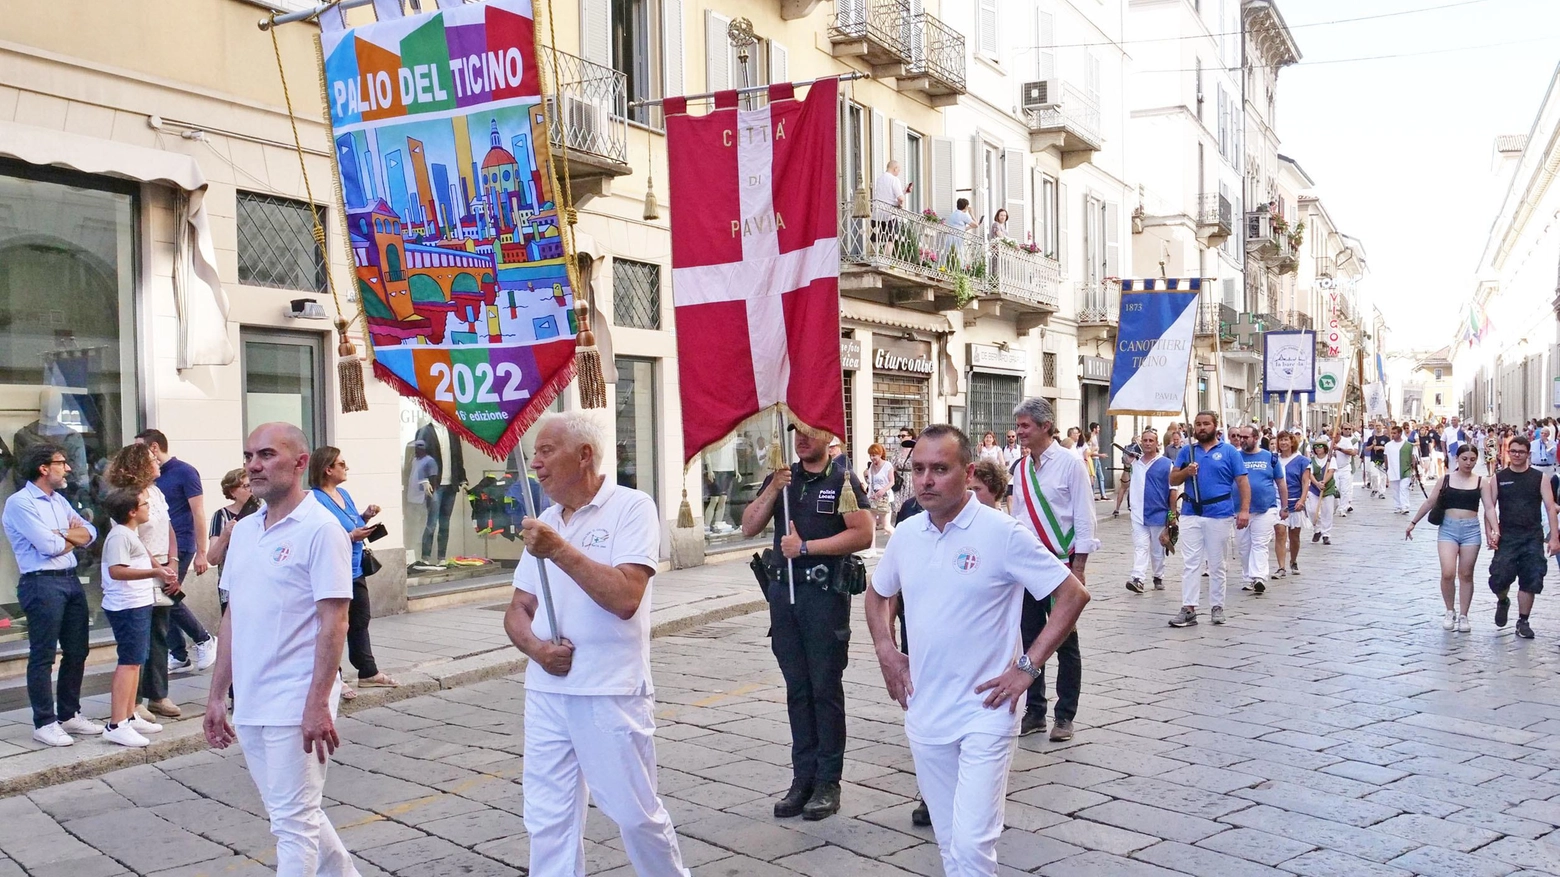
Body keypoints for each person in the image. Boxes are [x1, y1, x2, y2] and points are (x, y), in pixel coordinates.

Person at [865, 425, 1090, 877]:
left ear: (967, 473)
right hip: (925, 709)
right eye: (920, 469)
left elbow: (1072, 595)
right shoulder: (907, 534)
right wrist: (887, 650)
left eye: (940, 469)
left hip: (986, 710)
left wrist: (1027, 668)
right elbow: (877, 593)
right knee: (950, 842)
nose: (926, 479)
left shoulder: (1001, 533)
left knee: (971, 845)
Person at [499, 413, 690, 877]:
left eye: (546, 451)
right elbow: (517, 609)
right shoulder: (544, 520)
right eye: (534, 454)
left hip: (608, 689)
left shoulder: (631, 507)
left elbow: (625, 597)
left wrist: (560, 550)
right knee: (546, 816)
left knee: (633, 814)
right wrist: (538, 651)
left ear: (584, 455)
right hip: (548, 692)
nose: (536, 464)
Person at [203, 423, 358, 877]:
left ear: (299, 462)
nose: (254, 465)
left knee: (293, 821)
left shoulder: (320, 529)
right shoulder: (245, 532)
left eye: (267, 454)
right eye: (249, 455)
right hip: (252, 696)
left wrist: (317, 703)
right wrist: (216, 696)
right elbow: (232, 616)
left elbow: (336, 621)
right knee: (290, 810)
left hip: (297, 695)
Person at [741, 424, 873, 820]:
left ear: (829, 438)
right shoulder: (784, 478)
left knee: (824, 688)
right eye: (798, 430)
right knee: (797, 689)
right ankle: (803, 779)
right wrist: (773, 487)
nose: (802, 438)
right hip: (784, 597)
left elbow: (863, 534)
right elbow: (748, 525)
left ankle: (828, 782)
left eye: (812, 431)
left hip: (823, 596)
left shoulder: (843, 479)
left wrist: (806, 547)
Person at [2, 443, 101, 747]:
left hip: (70, 580)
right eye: (62, 463)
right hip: (41, 583)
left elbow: (91, 533)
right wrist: (68, 537)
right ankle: (44, 721)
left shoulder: (59, 501)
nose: (68, 468)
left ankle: (69, 713)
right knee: (43, 654)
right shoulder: (20, 503)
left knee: (78, 649)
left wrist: (65, 535)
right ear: (44, 468)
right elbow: (49, 546)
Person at [1008, 398, 1095, 742]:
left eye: (1025, 426)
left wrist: (1081, 566)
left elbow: (1085, 516)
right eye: (1018, 426)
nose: (1019, 432)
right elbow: (1018, 518)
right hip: (1028, 566)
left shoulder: (1071, 464)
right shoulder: (1021, 468)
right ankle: (1035, 711)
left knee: (1065, 640)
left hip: (1060, 565)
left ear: (1046, 426)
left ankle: (1065, 715)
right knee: (1029, 638)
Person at [309, 447, 399, 697]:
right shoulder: (314, 500)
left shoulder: (344, 493)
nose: (345, 467)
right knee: (332, 625)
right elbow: (321, 535)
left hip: (355, 568)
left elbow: (351, 521)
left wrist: (365, 517)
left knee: (360, 621)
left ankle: (367, 671)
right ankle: (333, 677)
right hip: (333, 571)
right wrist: (350, 536)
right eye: (341, 463)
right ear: (327, 469)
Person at [107, 443, 182, 720]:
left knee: (160, 633)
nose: (158, 463)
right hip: (143, 567)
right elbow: (133, 538)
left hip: (162, 565)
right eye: (152, 459)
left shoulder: (157, 493)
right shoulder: (128, 497)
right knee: (139, 636)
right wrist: (156, 568)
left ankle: (158, 695)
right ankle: (133, 701)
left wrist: (172, 562)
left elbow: (168, 526)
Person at [135, 430, 218, 674]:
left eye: (141, 448)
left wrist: (202, 551)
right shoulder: (149, 479)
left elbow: (198, 512)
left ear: (154, 448)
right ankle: (179, 654)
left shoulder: (185, 471)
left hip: (180, 543)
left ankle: (203, 638)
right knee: (163, 600)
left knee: (168, 594)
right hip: (155, 546)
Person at [97, 486, 172, 747]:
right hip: (126, 606)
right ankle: (116, 722)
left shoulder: (129, 533)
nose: (148, 508)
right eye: (144, 505)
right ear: (131, 511)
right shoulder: (119, 536)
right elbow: (117, 571)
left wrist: (158, 569)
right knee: (129, 662)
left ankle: (128, 715)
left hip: (137, 604)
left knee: (137, 661)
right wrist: (155, 574)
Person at [1168, 411, 1250, 628]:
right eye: (1198, 424)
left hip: (1219, 512)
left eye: (1206, 424)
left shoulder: (1230, 452)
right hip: (1191, 511)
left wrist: (1244, 510)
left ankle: (1217, 605)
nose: (1201, 427)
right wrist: (1187, 471)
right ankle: (1189, 607)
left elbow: (1242, 482)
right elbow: (1173, 478)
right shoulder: (1188, 451)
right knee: (1190, 562)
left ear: (1215, 426)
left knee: (1216, 563)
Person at [1484, 435, 1560, 639]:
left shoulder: (1539, 478)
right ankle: (1503, 600)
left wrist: (1554, 537)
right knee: (1499, 578)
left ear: (1528, 454)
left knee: (1531, 578)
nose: (1517, 455)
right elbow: (1489, 507)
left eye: (1521, 452)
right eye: (1513, 451)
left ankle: (1523, 621)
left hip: (1532, 536)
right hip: (1507, 535)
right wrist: (1490, 532)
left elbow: (1550, 507)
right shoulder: (1499, 478)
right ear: (1508, 453)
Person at [1407, 444, 1484, 633]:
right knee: (1448, 572)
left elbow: (1489, 508)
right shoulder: (1445, 479)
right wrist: (1413, 522)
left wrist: (1495, 530)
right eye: (1464, 458)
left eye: (1472, 459)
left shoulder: (1482, 482)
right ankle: (1450, 610)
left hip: (1471, 530)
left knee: (1466, 574)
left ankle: (1464, 614)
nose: (1468, 462)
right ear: (1457, 459)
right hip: (1448, 529)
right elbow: (1430, 501)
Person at [1236, 426, 1286, 595]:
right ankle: (1247, 577)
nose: (1242, 440)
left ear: (1256, 438)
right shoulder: (1235, 457)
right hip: (1240, 508)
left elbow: (1280, 482)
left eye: (1245, 437)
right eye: (1239, 437)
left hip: (1265, 508)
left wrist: (1284, 506)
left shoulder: (1269, 458)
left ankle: (1258, 578)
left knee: (1259, 543)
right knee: (1244, 546)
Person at [1125, 430, 1173, 593]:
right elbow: (1124, 480)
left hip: (1158, 513)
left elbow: (1172, 490)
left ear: (1156, 443)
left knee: (1157, 549)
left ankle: (1158, 575)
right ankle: (1138, 578)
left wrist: (1172, 515)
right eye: (1144, 440)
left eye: (1150, 440)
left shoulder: (1166, 464)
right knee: (1141, 546)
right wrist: (1127, 463)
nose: (1147, 443)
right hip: (1138, 513)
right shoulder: (1135, 463)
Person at [206, 468, 257, 618]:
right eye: (246, 486)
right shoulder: (221, 516)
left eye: (252, 484)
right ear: (232, 491)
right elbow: (212, 559)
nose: (251, 490)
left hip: (259, 584)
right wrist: (225, 535)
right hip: (233, 587)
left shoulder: (263, 512)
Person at [1274, 432, 1307, 578]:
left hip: (1295, 501)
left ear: (1292, 442)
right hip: (1277, 501)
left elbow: (1306, 482)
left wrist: (1302, 500)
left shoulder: (1302, 460)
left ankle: (1293, 561)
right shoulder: (1274, 459)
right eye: (1281, 440)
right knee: (1280, 533)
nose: (1283, 443)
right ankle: (1281, 567)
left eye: (1286, 440)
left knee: (1295, 536)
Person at [863, 443, 897, 558]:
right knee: (871, 525)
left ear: (880, 454)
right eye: (871, 455)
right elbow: (871, 483)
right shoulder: (871, 467)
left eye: (875, 455)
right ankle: (872, 549)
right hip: (873, 498)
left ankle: (901, 541)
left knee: (886, 526)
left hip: (884, 498)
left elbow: (892, 481)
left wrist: (883, 490)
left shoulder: (887, 465)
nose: (872, 458)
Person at [1306, 439, 1339, 546]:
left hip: (1328, 487)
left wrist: (1324, 482)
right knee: (1311, 510)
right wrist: (1317, 484)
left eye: (1320, 446)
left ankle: (1326, 534)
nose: (1318, 448)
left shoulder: (1330, 459)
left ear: (1325, 448)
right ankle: (1317, 529)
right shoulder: (1311, 460)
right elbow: (1309, 473)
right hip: (1315, 488)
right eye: (1316, 447)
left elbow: (1331, 471)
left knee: (1327, 511)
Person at [1385, 425, 1418, 514]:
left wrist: (1414, 468)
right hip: (1393, 470)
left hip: (1405, 469)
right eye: (1392, 433)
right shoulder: (1388, 445)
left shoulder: (1408, 445)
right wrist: (1387, 468)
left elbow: (1413, 457)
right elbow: (1386, 457)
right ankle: (1397, 506)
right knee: (1395, 489)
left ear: (1400, 433)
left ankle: (1405, 506)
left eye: (1394, 433)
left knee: (1404, 488)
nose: (1393, 435)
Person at [1332, 423, 1358, 516]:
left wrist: (1339, 449)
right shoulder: (1329, 442)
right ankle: (1335, 506)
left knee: (1345, 489)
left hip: (1345, 468)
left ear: (1339, 434)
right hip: (1334, 469)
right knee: (1335, 489)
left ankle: (1343, 508)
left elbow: (1352, 452)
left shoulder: (1346, 441)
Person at [1365, 425, 1390, 498]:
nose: (1378, 427)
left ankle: (1381, 492)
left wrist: (1380, 447)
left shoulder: (1386, 438)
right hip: (1374, 459)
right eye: (1377, 426)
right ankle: (1375, 489)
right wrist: (1373, 445)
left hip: (1383, 460)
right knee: (1374, 475)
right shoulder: (1371, 438)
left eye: (1379, 425)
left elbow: (1389, 448)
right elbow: (1367, 449)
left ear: (1382, 427)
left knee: (1383, 477)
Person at [1087, 423, 1108, 500]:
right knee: (1093, 477)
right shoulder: (1091, 438)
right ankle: (1092, 494)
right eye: (1098, 428)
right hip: (1094, 459)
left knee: (1101, 477)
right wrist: (1100, 455)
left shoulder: (1095, 437)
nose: (1099, 429)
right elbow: (1089, 452)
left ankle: (1103, 494)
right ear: (1094, 429)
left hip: (1097, 459)